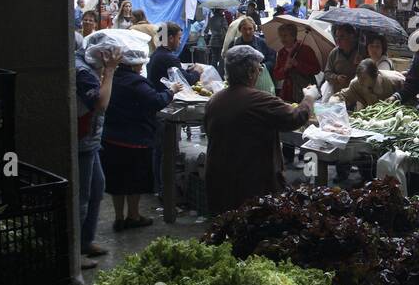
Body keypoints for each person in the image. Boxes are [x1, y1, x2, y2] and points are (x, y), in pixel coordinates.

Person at [204, 45, 313, 216]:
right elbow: (295, 118)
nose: (260, 71)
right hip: (250, 184)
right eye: (258, 68)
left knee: (225, 229)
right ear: (250, 72)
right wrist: (308, 98)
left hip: (218, 181)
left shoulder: (215, 100)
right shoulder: (259, 100)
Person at [100, 50, 180, 231]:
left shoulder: (113, 78)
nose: (142, 66)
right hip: (134, 140)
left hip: (111, 138)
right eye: (140, 63)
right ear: (134, 65)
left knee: (118, 181)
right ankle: (133, 215)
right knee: (134, 180)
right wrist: (171, 91)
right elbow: (156, 101)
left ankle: (119, 217)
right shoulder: (136, 82)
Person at [75, 33, 119, 269]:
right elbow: (101, 103)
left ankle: (86, 241)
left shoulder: (86, 66)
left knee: (97, 187)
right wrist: (109, 71)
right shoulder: (82, 72)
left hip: (90, 140)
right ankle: (75, 253)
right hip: (82, 142)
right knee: (82, 197)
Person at [147, 23, 205, 202]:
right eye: (179, 38)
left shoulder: (158, 55)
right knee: (166, 150)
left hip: (158, 107)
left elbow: (176, 75)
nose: (180, 42)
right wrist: (196, 72)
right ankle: (165, 191)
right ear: (170, 38)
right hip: (165, 108)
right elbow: (184, 82)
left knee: (159, 150)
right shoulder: (168, 58)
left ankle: (158, 186)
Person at [273, 21, 321, 102]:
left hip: (305, 89)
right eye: (280, 36)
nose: (282, 39)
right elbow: (277, 75)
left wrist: (297, 64)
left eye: (285, 36)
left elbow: (316, 69)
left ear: (293, 36)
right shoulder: (281, 52)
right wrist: (285, 68)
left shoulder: (306, 50)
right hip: (287, 92)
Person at [334, 57, 401, 111]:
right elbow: (343, 96)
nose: (360, 81)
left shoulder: (394, 81)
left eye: (364, 78)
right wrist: (333, 103)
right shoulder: (357, 84)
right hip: (372, 119)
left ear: (375, 75)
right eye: (359, 76)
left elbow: (407, 89)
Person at [324, 24, 361, 93]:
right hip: (338, 93)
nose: (338, 40)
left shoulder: (360, 53)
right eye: (336, 37)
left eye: (342, 36)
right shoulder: (334, 53)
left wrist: (360, 64)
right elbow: (327, 73)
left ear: (351, 36)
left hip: (356, 92)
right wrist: (336, 78)